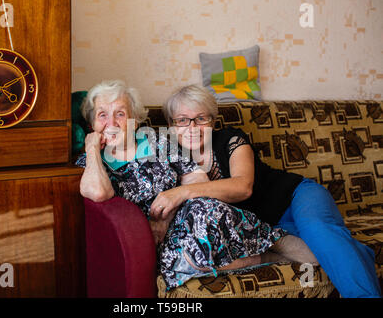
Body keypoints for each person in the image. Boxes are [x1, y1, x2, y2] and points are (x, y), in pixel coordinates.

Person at [75, 80, 310, 290]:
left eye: (120, 114)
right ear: (91, 124)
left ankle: (269, 238)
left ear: (134, 120)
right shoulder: (91, 161)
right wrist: (93, 148)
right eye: (102, 115)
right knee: (184, 261)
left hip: (186, 218)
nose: (111, 122)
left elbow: (197, 179)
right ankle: (265, 254)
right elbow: (98, 192)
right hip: (146, 238)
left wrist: (167, 217)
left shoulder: (158, 141)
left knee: (204, 209)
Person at [153, 84, 382, 298]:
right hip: (268, 228)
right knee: (323, 248)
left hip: (295, 197)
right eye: (182, 120)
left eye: (200, 118)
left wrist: (183, 192)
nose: (192, 127)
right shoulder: (169, 158)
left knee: (318, 229)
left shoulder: (231, 139)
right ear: (171, 126)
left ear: (213, 121)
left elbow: (243, 187)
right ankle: (357, 254)